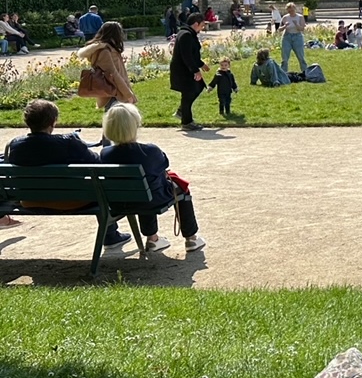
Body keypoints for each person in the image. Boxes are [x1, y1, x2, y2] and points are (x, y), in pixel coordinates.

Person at [1, 99, 128, 246]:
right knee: (98, 189)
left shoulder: (15, 145)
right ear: (53, 122)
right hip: (71, 201)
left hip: (29, 200)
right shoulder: (69, 142)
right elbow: (97, 163)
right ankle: (110, 236)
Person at [99, 103, 207, 253]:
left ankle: (153, 238)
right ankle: (191, 238)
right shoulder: (150, 151)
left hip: (120, 202)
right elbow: (164, 165)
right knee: (177, 189)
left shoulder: (105, 154)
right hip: (151, 200)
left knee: (144, 188)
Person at [76, 21, 138, 110]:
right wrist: (128, 94)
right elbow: (113, 74)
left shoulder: (108, 48)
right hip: (114, 92)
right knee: (118, 119)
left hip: (113, 91)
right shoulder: (105, 51)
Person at [169, 14, 209, 131]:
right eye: (202, 25)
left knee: (198, 87)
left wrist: (201, 64)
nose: (202, 28)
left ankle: (182, 111)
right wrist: (196, 70)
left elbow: (192, 54)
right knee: (189, 93)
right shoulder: (186, 35)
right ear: (196, 23)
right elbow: (186, 56)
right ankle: (187, 121)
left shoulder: (189, 33)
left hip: (186, 69)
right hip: (183, 70)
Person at [279, 2, 307, 72]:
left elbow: (302, 29)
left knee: (301, 56)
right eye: (289, 11)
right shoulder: (285, 17)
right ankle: (284, 73)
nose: (291, 12)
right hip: (287, 37)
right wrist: (284, 26)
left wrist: (296, 24)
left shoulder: (300, 17)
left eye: (292, 10)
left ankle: (305, 72)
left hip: (297, 37)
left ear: (295, 9)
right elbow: (279, 29)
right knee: (284, 58)